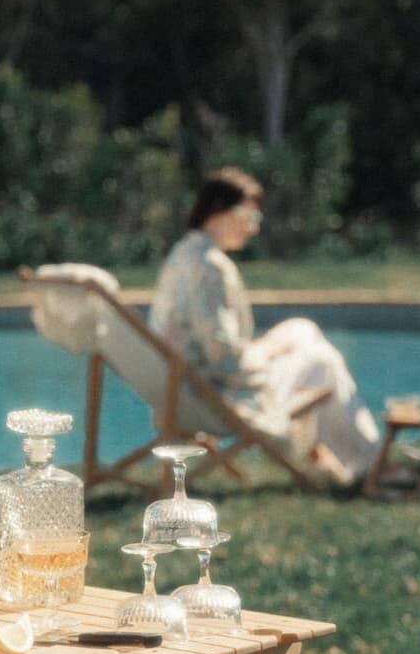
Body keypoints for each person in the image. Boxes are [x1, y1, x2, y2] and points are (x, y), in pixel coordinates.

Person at [150, 167, 381, 482]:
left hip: (182, 386)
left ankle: (322, 456)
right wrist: (267, 351)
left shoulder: (183, 253)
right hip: (214, 393)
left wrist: (265, 348)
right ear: (221, 212)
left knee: (302, 329)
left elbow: (210, 342)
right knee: (322, 361)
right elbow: (224, 358)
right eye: (251, 218)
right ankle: (371, 465)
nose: (253, 229)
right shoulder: (210, 267)